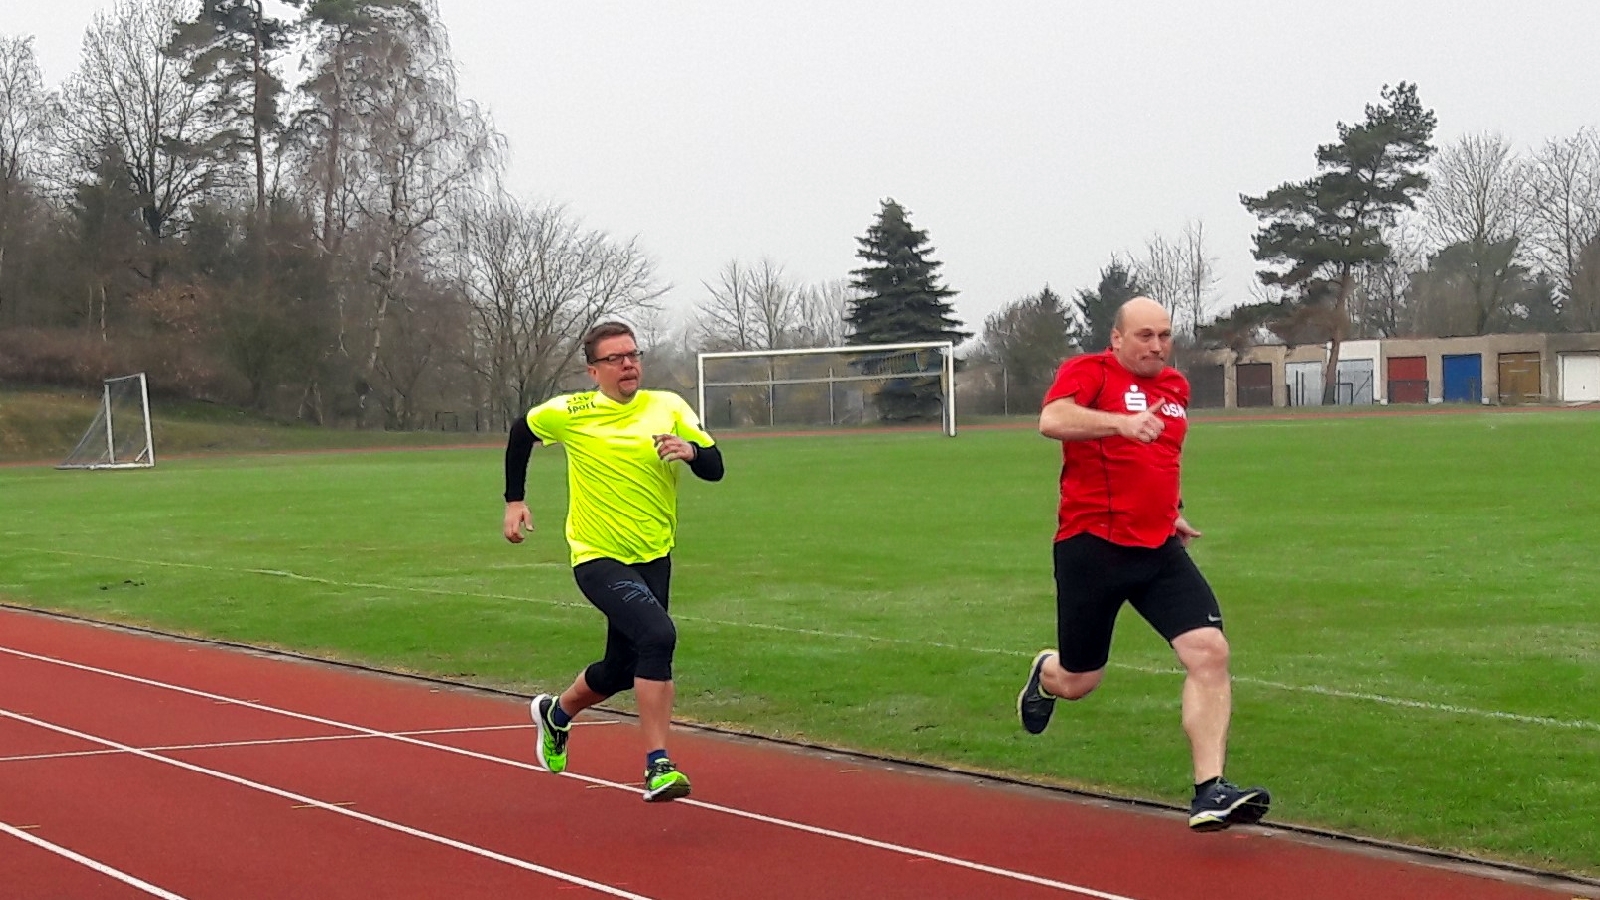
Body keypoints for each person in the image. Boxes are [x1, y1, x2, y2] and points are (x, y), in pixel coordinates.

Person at [1016, 296, 1270, 831]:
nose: (1157, 345)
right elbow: (1051, 419)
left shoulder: (1176, 387)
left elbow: (1162, 459)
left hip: (1157, 548)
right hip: (1092, 546)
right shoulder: (1088, 371)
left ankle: (1210, 790)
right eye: (1144, 335)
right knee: (1081, 680)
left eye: (1164, 335)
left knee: (1209, 650)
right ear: (1117, 338)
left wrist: (1170, 511)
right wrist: (1120, 424)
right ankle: (1046, 673)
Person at [502, 321, 724, 802]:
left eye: (633, 355)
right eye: (615, 358)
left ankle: (557, 713)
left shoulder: (668, 406)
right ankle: (658, 765)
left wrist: (690, 452)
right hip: (597, 556)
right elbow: (521, 433)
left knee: (623, 669)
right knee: (658, 636)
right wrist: (514, 500)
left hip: (654, 555)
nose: (628, 364)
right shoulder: (571, 412)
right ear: (593, 371)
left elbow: (715, 467)